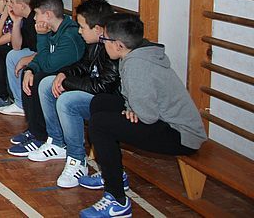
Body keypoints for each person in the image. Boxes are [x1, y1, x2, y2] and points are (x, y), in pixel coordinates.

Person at [79, 13, 207, 218]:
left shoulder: (137, 65)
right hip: (161, 119)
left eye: (105, 39)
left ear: (118, 45)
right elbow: (134, 99)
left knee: (100, 124)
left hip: (181, 135)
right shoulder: (135, 54)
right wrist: (130, 109)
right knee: (101, 102)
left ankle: (117, 200)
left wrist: (133, 110)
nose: (102, 43)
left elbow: (147, 116)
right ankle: (114, 174)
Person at [34, 0, 119, 189]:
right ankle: (57, 142)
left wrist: (67, 82)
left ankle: (77, 159)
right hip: (96, 95)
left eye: (82, 27)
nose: (79, 31)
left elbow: (102, 87)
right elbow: (83, 65)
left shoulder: (113, 49)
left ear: (98, 29)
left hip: (107, 102)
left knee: (68, 101)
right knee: (47, 83)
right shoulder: (94, 43)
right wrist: (64, 74)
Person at [9, 0, 85, 157]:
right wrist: (30, 69)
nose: (34, 18)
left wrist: (41, 37)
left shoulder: (69, 36)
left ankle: (42, 136)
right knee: (29, 75)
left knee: (39, 79)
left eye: (37, 14)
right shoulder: (54, 30)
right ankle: (34, 129)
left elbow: (49, 65)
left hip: (71, 79)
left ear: (48, 15)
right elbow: (40, 58)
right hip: (56, 74)